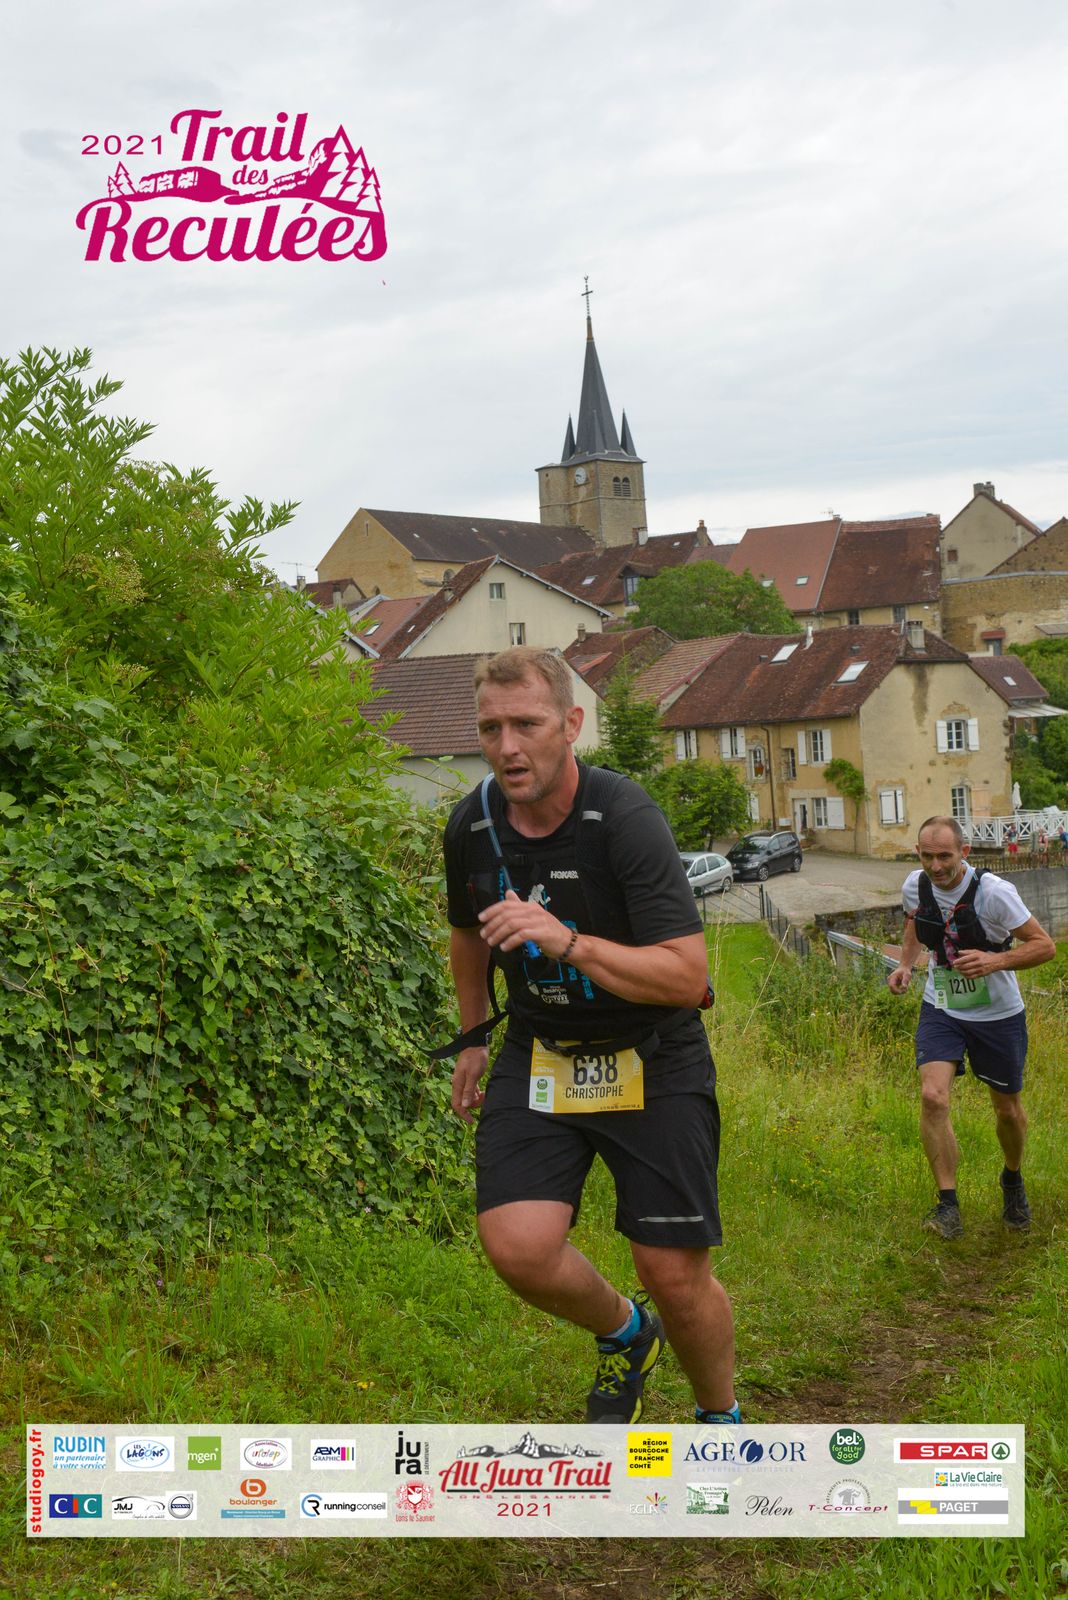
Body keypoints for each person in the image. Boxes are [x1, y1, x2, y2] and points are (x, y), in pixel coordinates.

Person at [441, 646, 737, 1426]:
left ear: (571, 724)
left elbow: (686, 978)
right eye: (491, 728)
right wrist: (472, 1035)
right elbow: (467, 933)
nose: (508, 747)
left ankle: (720, 1419)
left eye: (527, 724)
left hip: (653, 1055)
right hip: (541, 1051)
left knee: (673, 1274)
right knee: (518, 1246)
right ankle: (626, 1332)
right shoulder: (472, 824)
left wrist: (565, 941)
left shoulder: (623, 819)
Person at [888, 816, 1055, 1238]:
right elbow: (915, 923)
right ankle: (948, 1205)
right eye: (927, 856)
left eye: (944, 856)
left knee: (1007, 1111)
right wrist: (906, 965)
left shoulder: (994, 893)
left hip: (998, 1014)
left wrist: (996, 960)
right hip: (942, 1005)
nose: (935, 866)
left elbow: (1044, 946)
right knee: (932, 1096)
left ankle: (1012, 1179)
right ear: (918, 853)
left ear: (964, 852)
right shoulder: (915, 885)